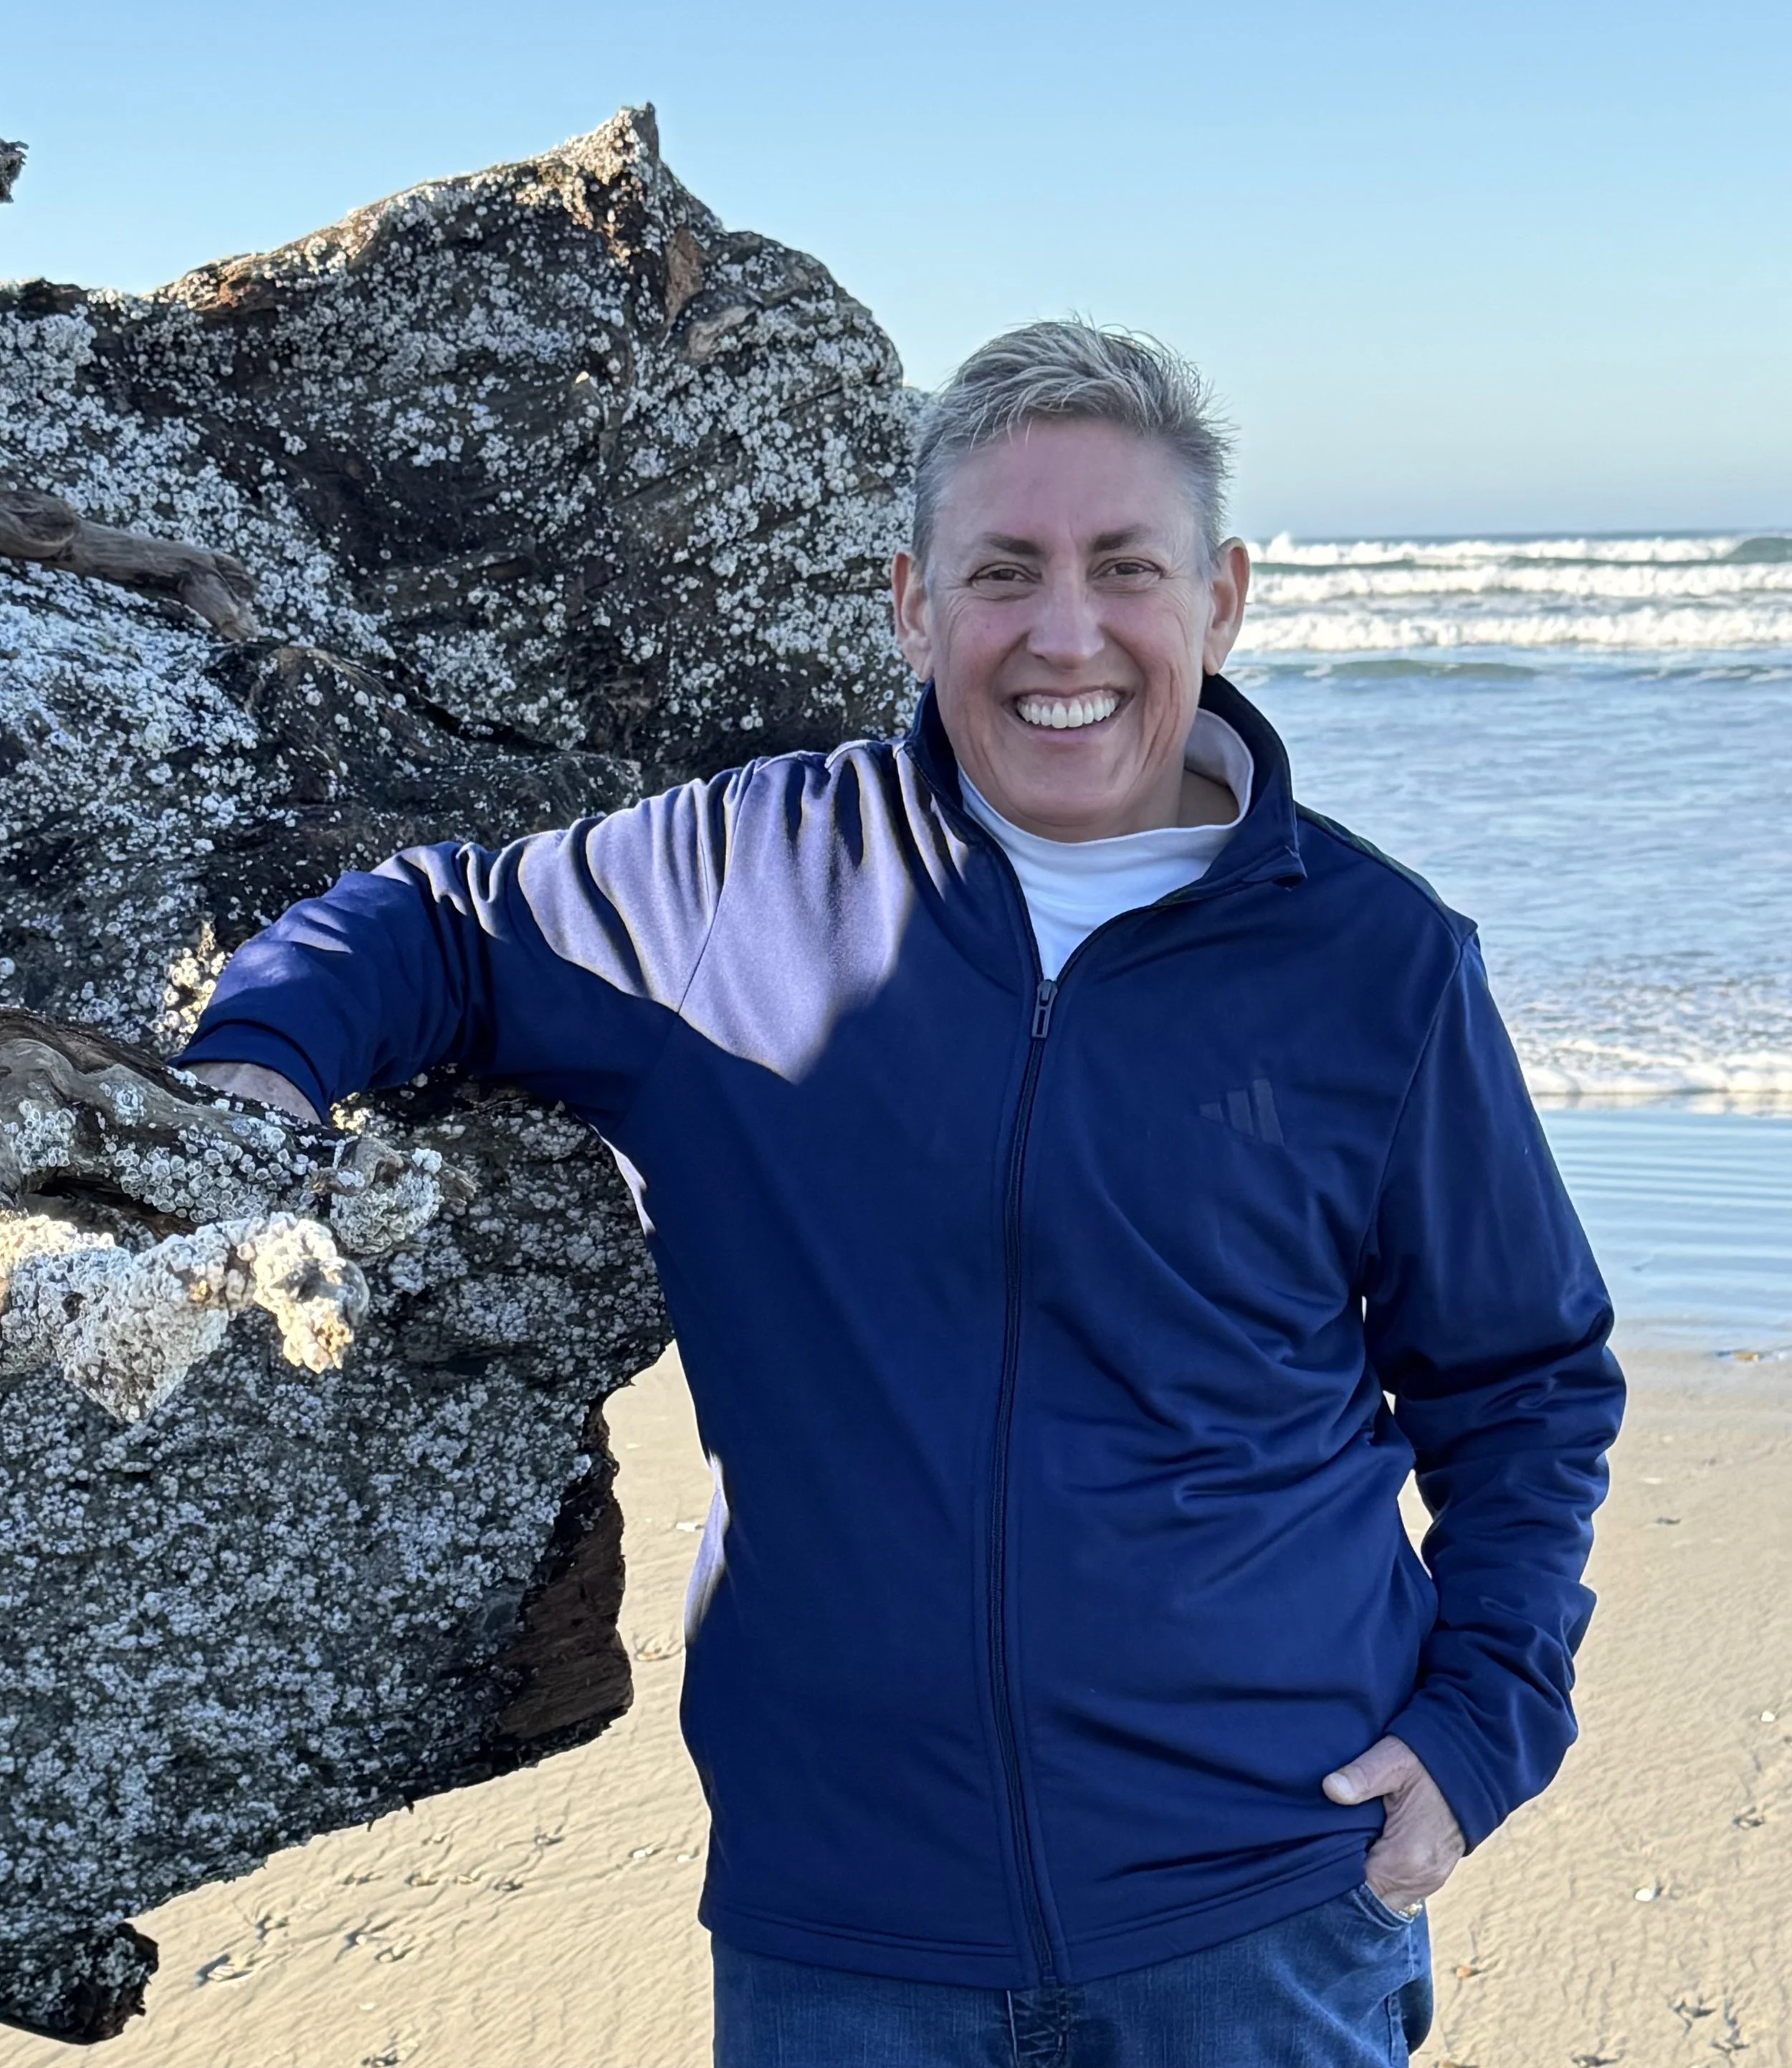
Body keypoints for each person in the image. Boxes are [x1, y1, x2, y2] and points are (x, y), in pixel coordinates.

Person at [182, 321, 1624, 2067]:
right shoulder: (736, 887)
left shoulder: (1377, 964)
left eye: (1123, 568)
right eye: (1002, 572)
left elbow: (1521, 1380)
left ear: (1221, 597)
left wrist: (1484, 1726)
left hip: (1254, 1911)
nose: (1063, 633)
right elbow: (439, 922)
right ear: (911, 603)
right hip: (842, 1933)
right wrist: (246, 1077)